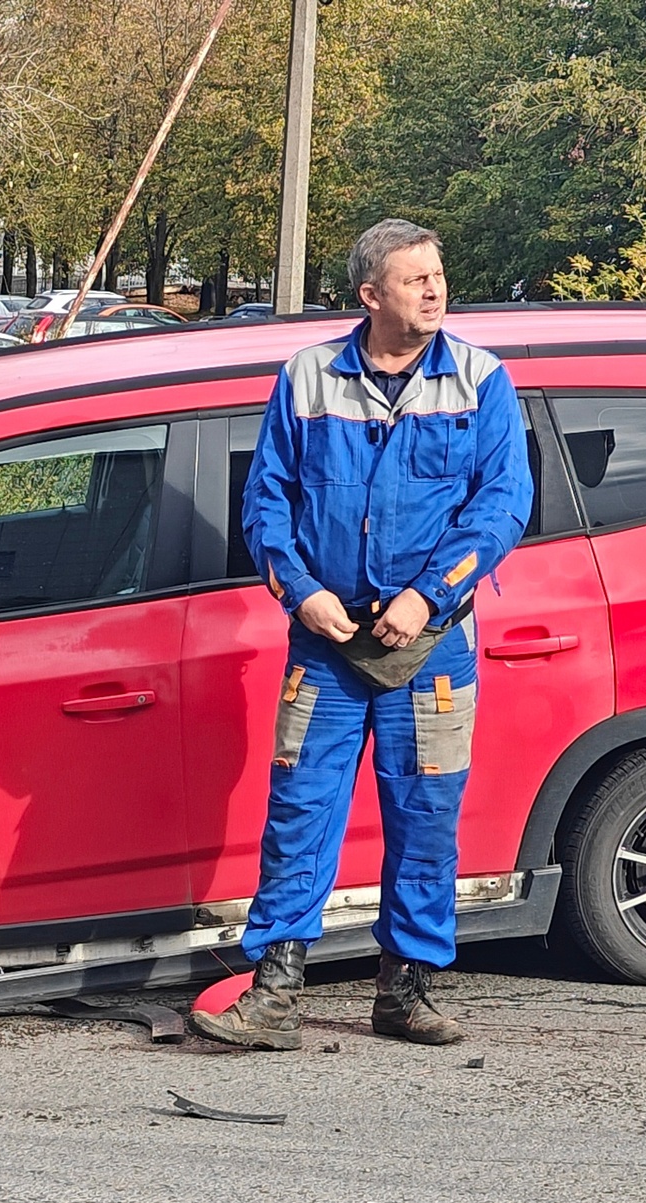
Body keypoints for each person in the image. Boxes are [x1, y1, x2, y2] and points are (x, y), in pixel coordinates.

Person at [191, 219, 534, 1052]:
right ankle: (275, 996)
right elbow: (266, 503)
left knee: (425, 816)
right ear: (370, 294)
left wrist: (428, 595)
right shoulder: (307, 378)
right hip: (326, 644)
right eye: (416, 279)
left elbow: (503, 505)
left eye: (439, 275)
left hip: (433, 647)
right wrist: (300, 593)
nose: (435, 289)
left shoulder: (482, 381)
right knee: (300, 812)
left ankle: (405, 992)